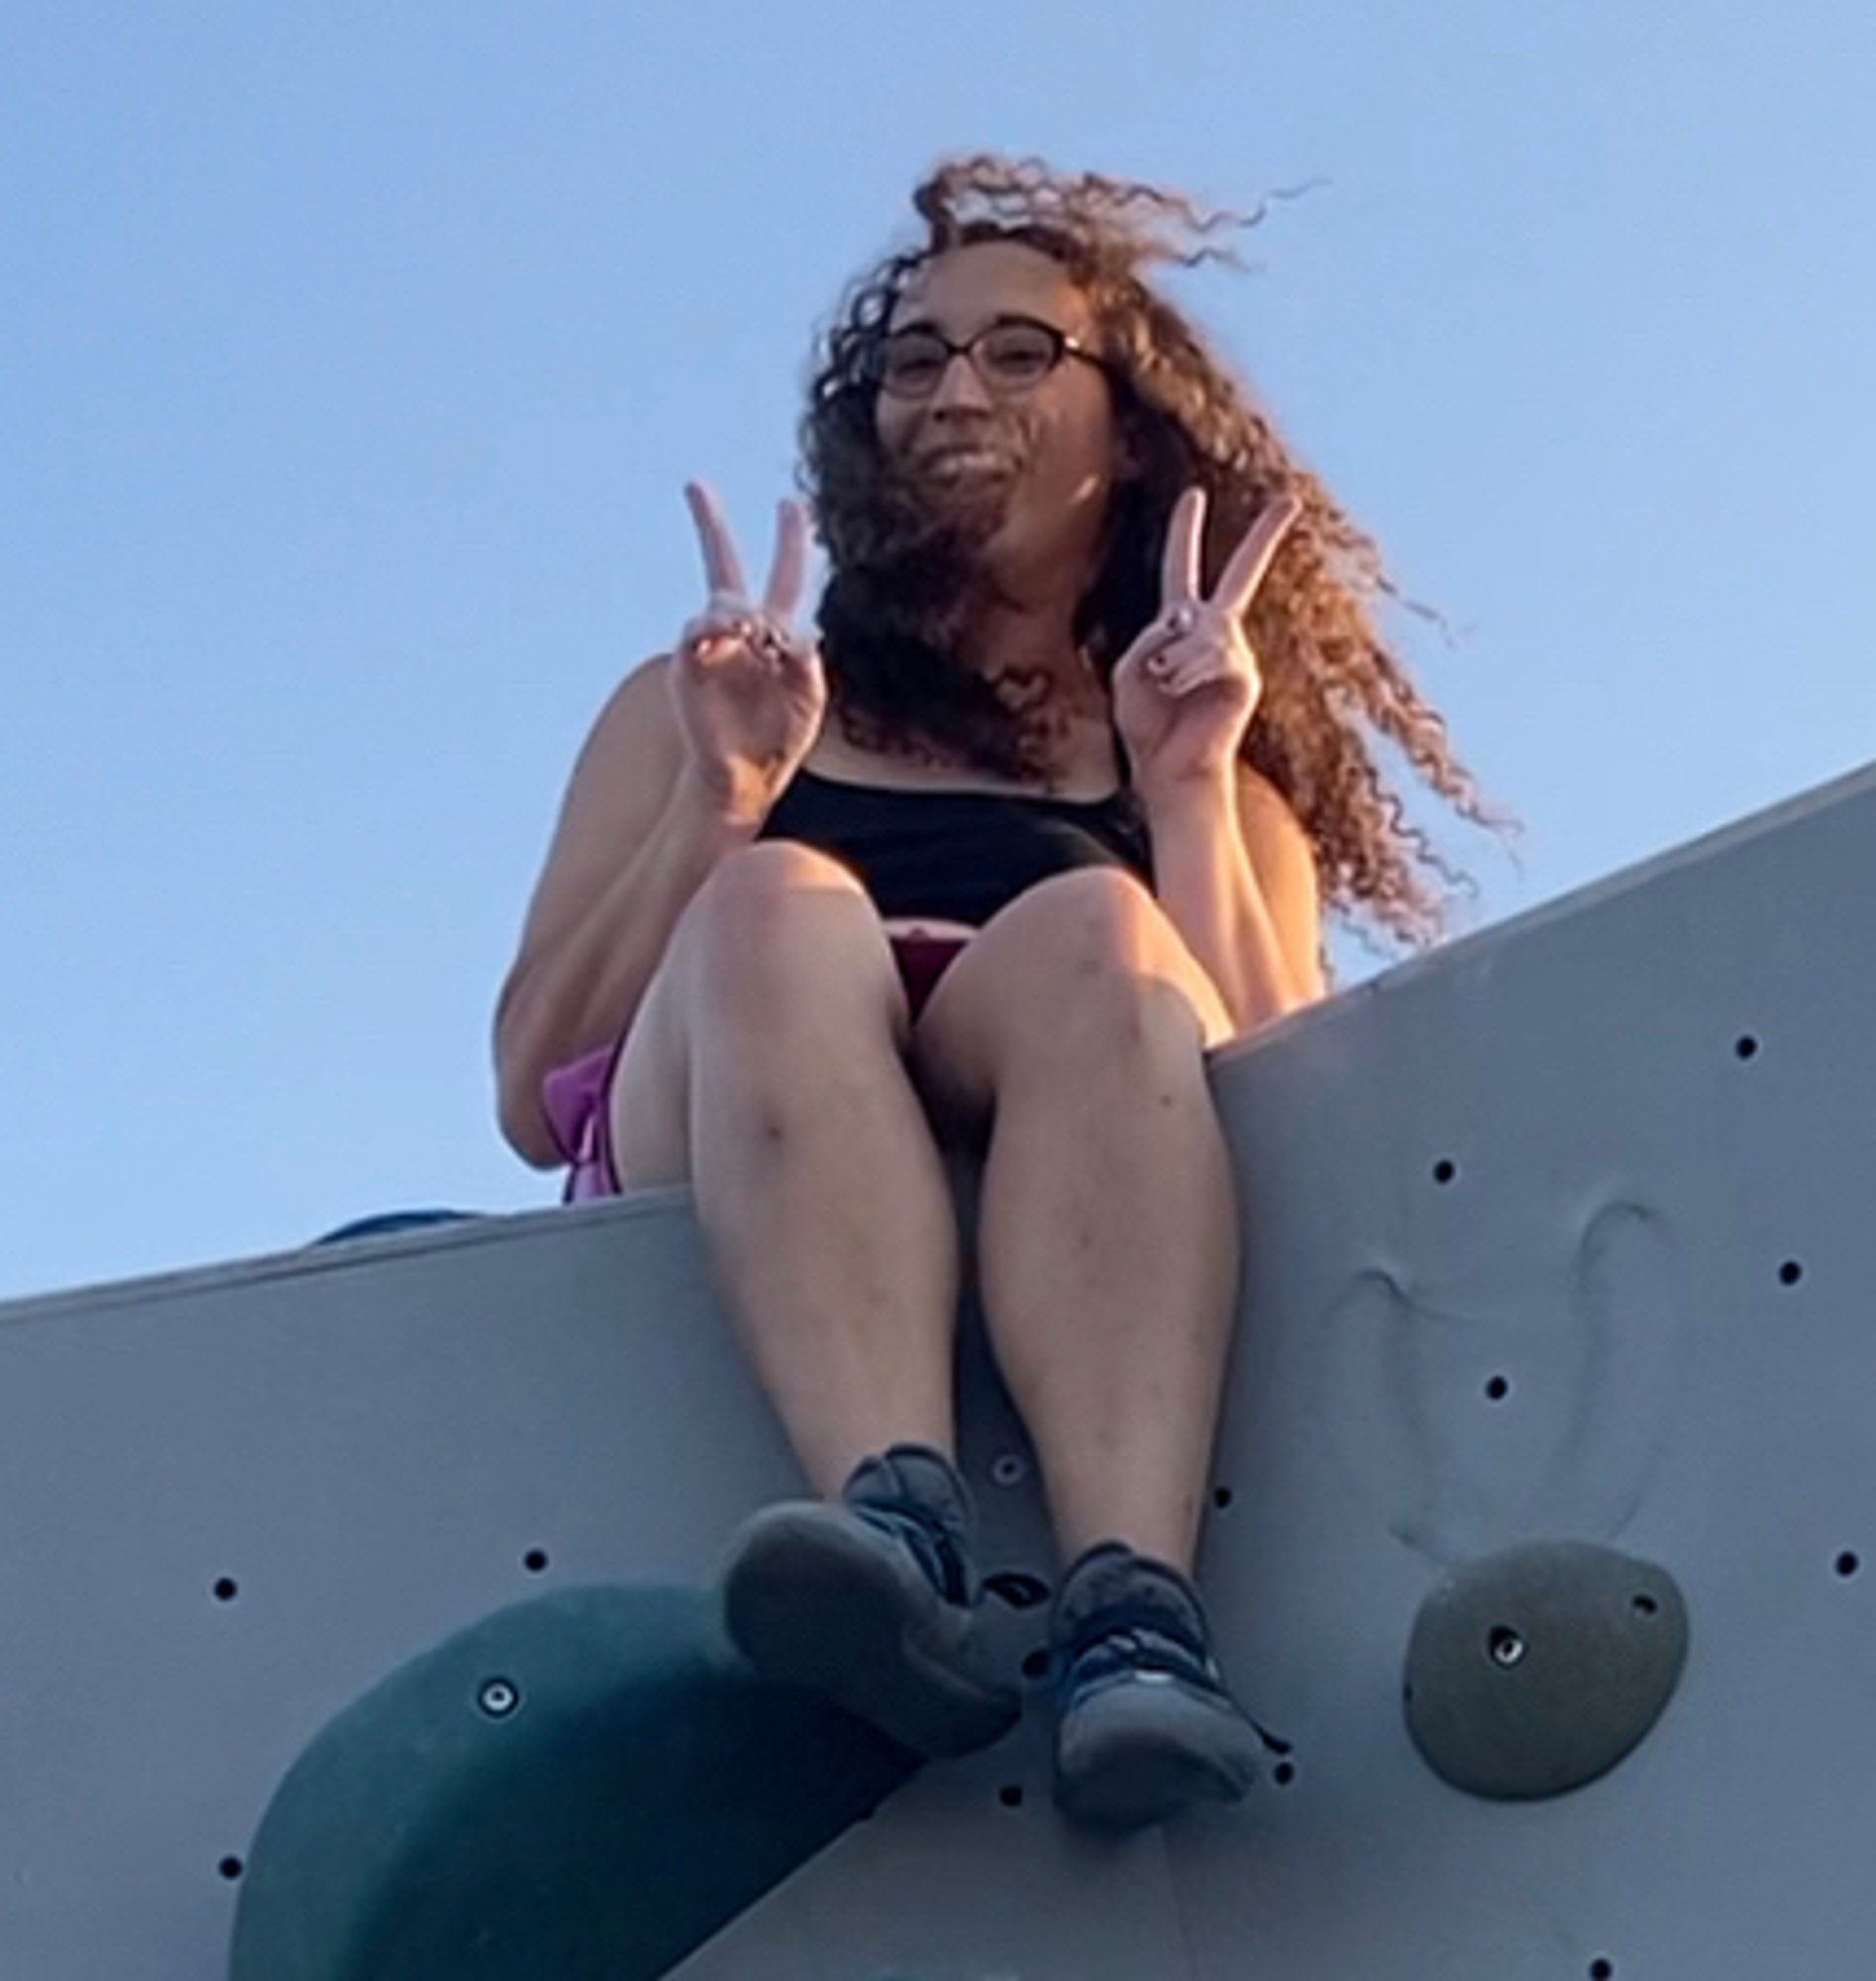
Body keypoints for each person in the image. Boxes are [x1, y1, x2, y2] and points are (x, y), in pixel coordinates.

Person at [492, 156, 1508, 1830]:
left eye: (1018, 351)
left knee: (1099, 941)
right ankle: (889, 1532)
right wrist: (718, 802)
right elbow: (535, 1091)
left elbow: (1288, 1104)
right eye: (912, 358)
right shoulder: (701, 708)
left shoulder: (1209, 773)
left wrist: (1185, 798)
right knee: (779, 907)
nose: (954, 386)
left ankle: (1133, 1615)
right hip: (738, 1086)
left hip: (1055, 1068)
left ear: (1126, 426)